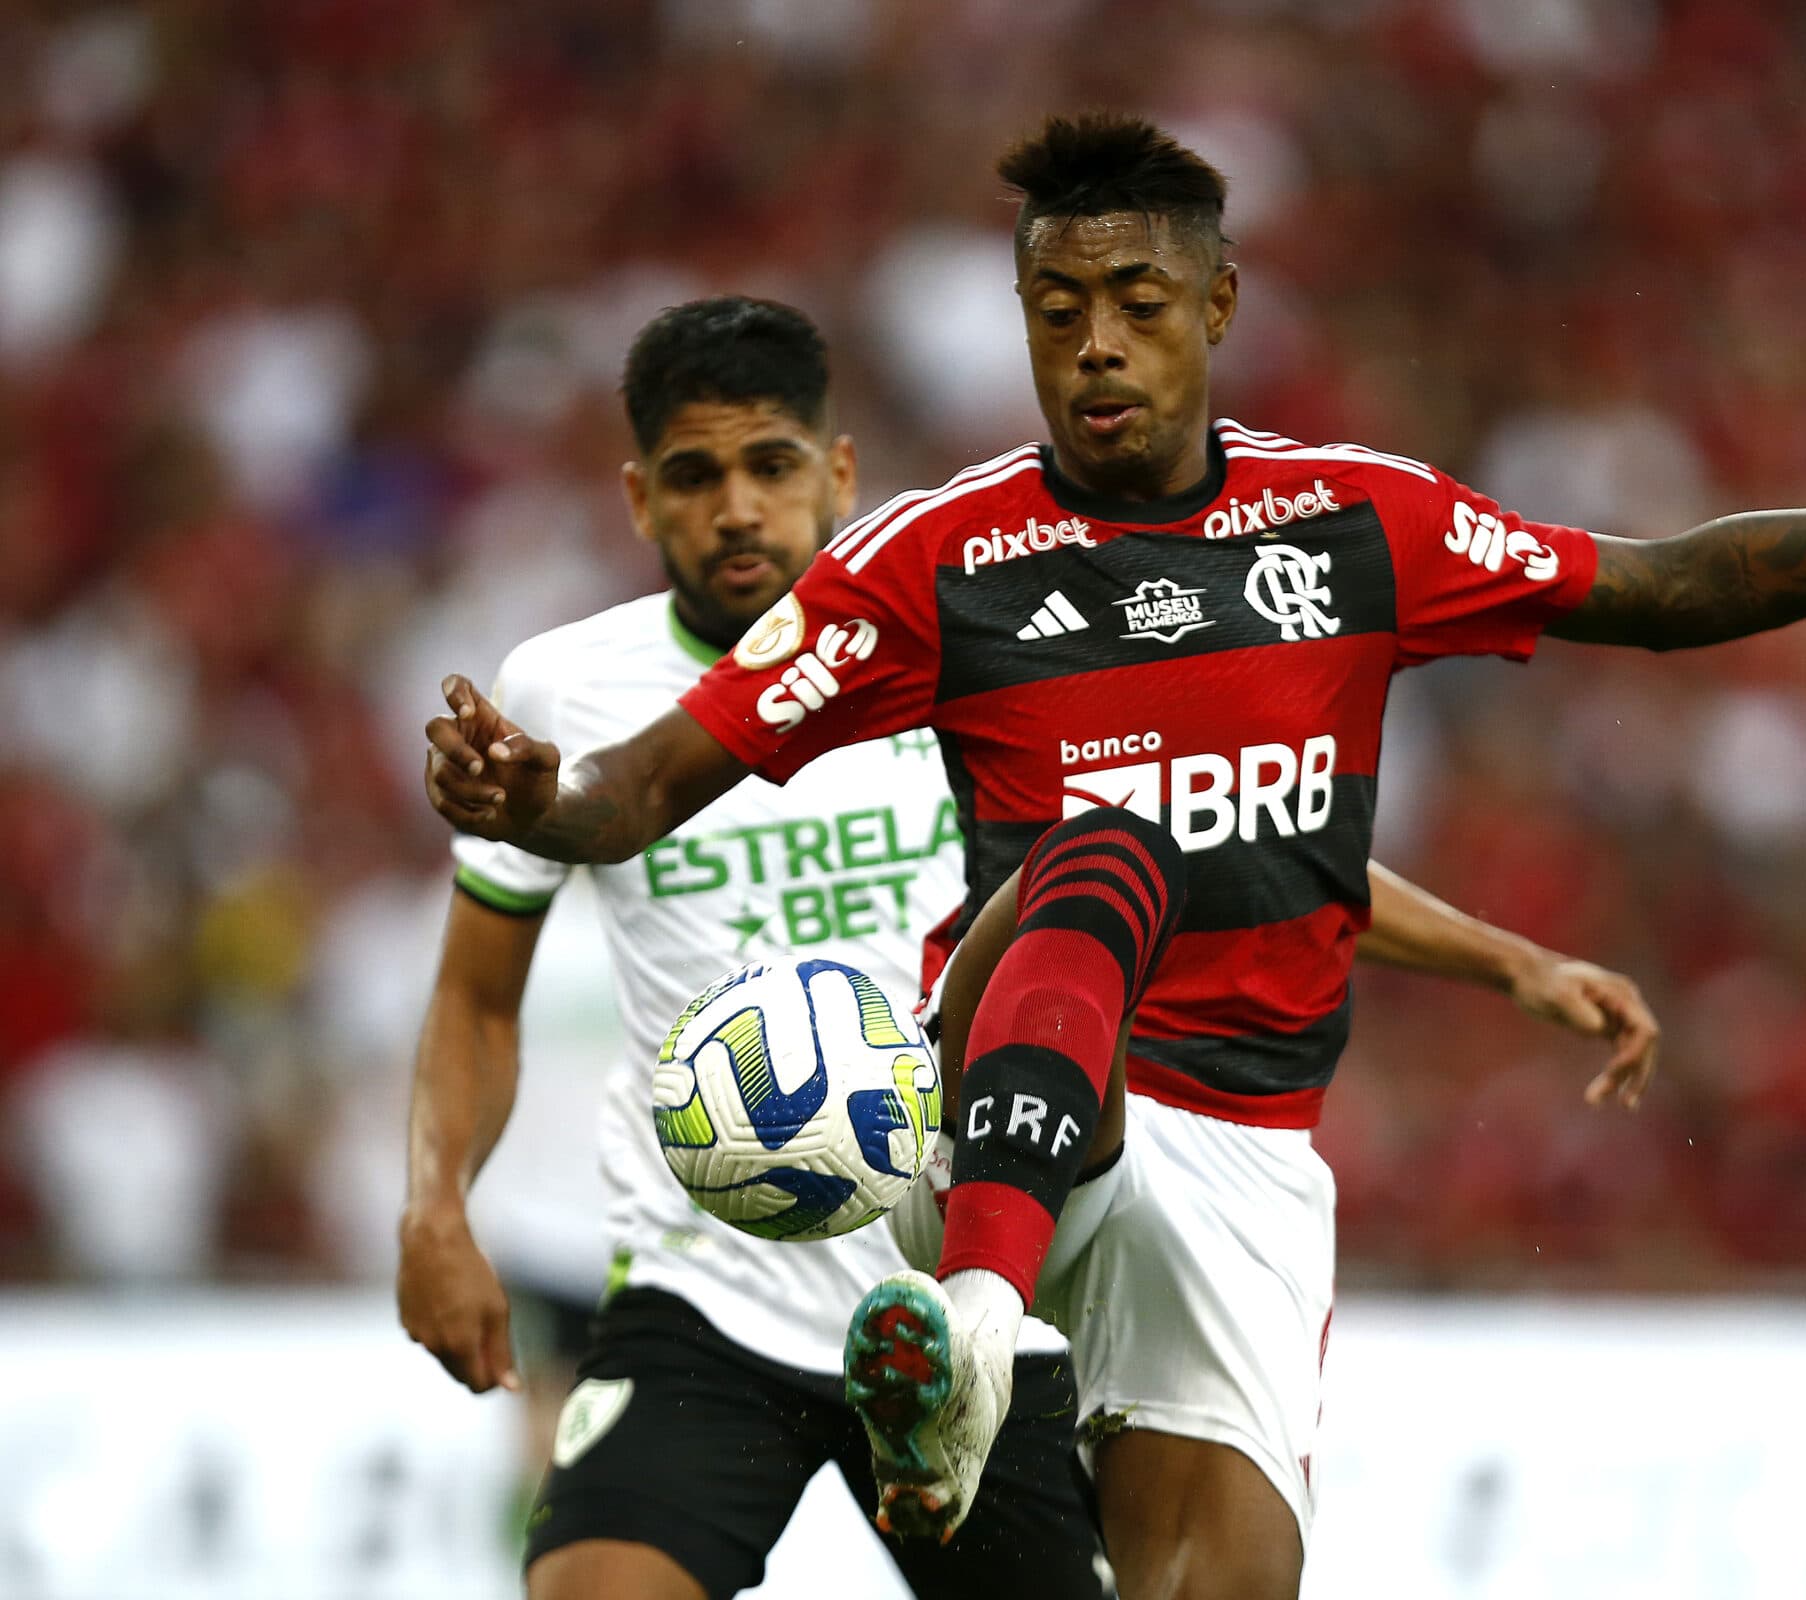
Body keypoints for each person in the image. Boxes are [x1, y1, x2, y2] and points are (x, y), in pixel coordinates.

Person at [422, 114, 1806, 1600]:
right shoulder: (929, 561)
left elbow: (1667, 593)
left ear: (1219, 302)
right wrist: (533, 806)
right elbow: (644, 787)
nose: (1097, 345)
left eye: (1137, 301)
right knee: (1098, 857)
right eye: (1058, 311)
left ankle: (982, 1364)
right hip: (1002, 1112)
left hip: (1249, 1156)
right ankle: (970, 1333)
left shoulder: (1356, 526)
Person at [402, 293, 1658, 1600]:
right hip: (706, 1296)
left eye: (770, 467)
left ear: (836, 472)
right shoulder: (571, 697)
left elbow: (1222, 850)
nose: (735, 510)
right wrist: (434, 1207)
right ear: (635, 499)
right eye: (694, 476)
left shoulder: (954, 645)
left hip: (963, 1270)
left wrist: (1505, 959)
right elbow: (477, 1001)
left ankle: (965, 1344)